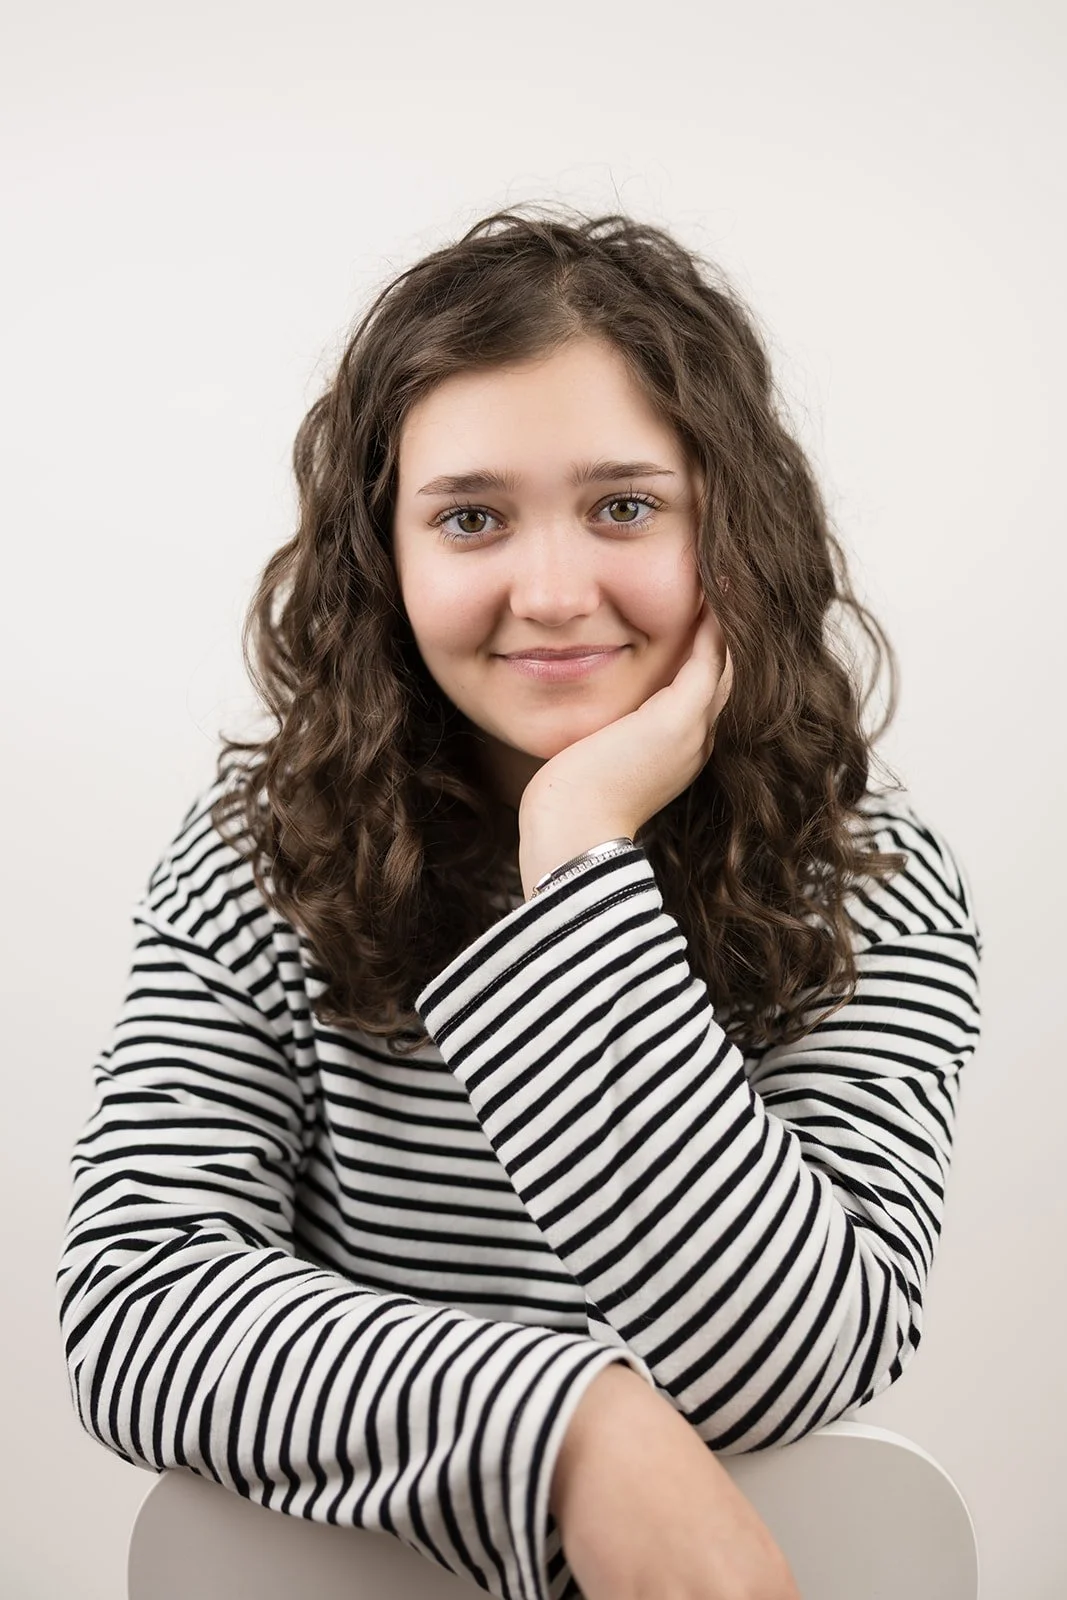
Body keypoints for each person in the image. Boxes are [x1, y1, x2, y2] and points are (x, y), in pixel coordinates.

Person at [56, 203, 982, 1600]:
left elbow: (783, 1359)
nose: (551, 593)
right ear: (386, 554)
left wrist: (577, 848)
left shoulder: (860, 882)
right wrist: (568, 1430)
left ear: (732, 529)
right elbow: (135, 1306)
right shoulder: (258, 854)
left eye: (623, 506)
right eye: (472, 518)